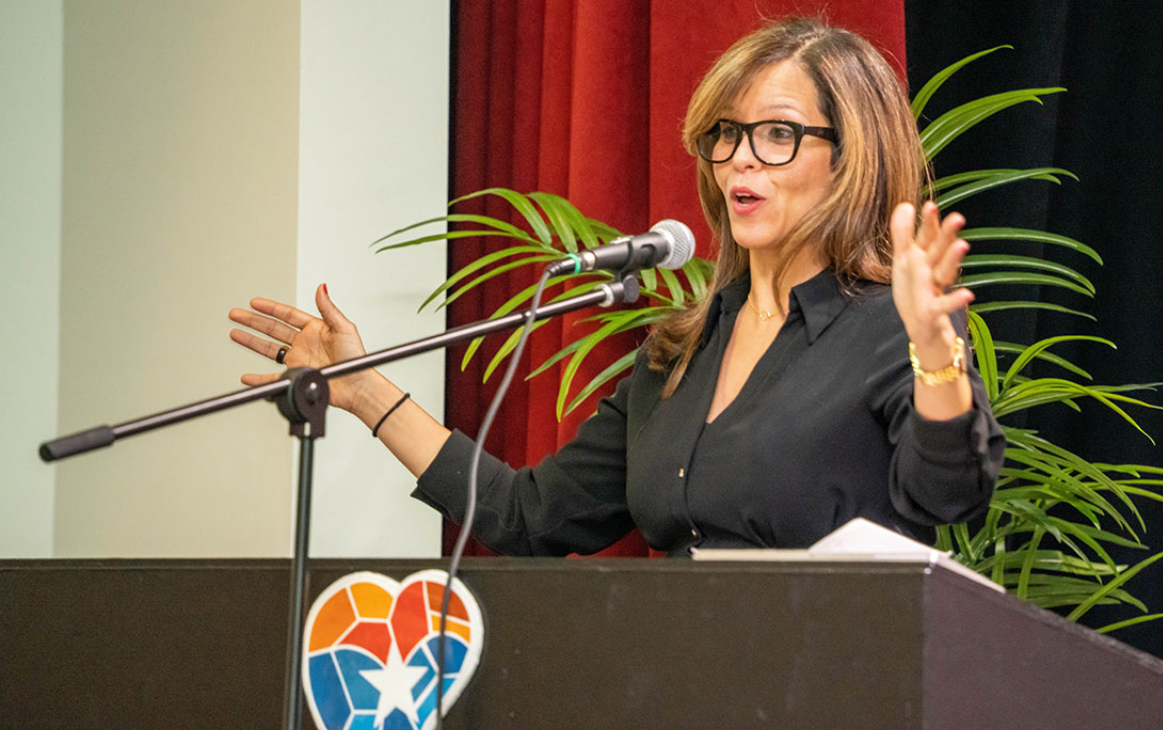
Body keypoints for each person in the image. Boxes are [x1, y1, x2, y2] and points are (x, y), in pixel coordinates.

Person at [229, 18, 1004, 557]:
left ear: (852, 155)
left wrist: (936, 355)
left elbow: (946, 497)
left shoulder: (887, 332)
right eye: (725, 135)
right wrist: (365, 393)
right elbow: (529, 516)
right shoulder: (679, 352)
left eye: (777, 135)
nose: (739, 159)